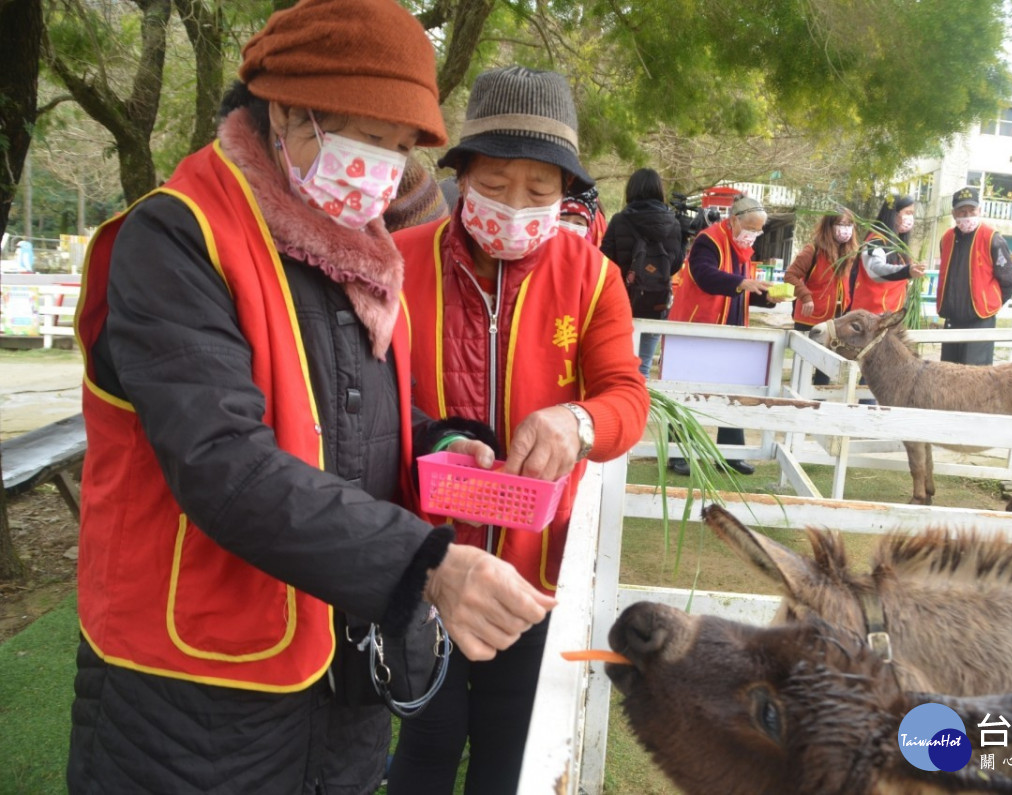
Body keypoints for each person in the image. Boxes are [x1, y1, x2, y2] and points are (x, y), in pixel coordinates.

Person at [65, 3, 555, 793]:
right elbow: (224, 463)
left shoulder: (355, 251)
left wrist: (437, 446)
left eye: (400, 148)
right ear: (286, 110)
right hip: (196, 699)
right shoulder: (178, 238)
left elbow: (351, 420)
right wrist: (426, 562)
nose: (383, 167)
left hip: (341, 679)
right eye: (367, 136)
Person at [391, 66, 649, 794]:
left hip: (538, 571)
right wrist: (434, 444)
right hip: (426, 563)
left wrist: (579, 419)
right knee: (423, 748)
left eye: (540, 192)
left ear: (567, 196)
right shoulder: (398, 266)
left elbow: (627, 397)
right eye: (497, 184)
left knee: (510, 760)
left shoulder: (592, 277)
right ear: (463, 175)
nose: (515, 206)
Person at [665, 194, 782, 476]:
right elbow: (704, 275)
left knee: (735, 392)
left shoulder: (742, 250)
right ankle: (678, 453)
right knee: (687, 392)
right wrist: (743, 282)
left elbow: (738, 292)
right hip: (697, 327)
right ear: (733, 221)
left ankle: (730, 455)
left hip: (730, 330)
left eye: (758, 230)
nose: (753, 235)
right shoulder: (708, 240)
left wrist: (765, 296)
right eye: (751, 228)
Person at [600, 167, 685, 377]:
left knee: (617, 363)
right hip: (657, 300)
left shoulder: (620, 220)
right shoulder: (672, 222)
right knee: (644, 365)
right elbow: (675, 264)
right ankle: (642, 406)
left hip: (621, 299)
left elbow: (604, 260)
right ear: (659, 190)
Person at [935, 186, 1012, 365]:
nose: (967, 216)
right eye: (962, 212)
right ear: (953, 213)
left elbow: (1008, 279)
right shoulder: (946, 238)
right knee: (948, 374)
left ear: (979, 210)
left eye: (971, 211)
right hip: (952, 319)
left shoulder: (992, 239)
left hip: (980, 319)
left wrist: (989, 303)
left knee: (976, 376)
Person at [782, 209, 857, 385]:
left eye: (849, 225)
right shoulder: (813, 250)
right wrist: (806, 296)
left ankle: (819, 402)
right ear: (829, 227)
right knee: (805, 364)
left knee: (827, 364)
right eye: (840, 224)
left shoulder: (851, 254)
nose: (845, 229)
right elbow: (790, 275)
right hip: (811, 316)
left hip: (836, 320)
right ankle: (799, 399)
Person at [848, 194, 926, 314]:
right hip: (869, 317)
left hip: (890, 315)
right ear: (894, 213)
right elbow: (875, 269)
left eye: (912, 214)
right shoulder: (875, 242)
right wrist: (907, 271)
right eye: (907, 213)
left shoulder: (898, 245)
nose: (910, 218)